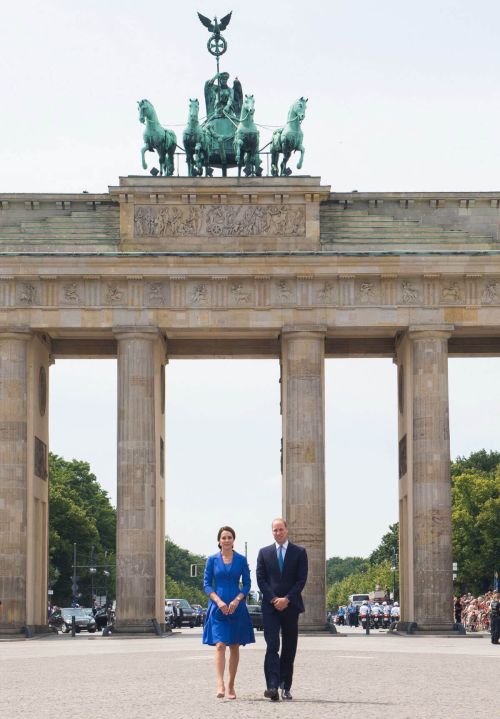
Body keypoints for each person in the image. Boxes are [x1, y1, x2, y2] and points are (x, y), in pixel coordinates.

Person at [256, 517, 308, 702]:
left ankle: (285, 686)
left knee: (289, 647)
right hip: (270, 607)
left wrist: (287, 599)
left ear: (287, 530)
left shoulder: (299, 552)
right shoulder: (264, 553)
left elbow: (301, 580)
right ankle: (272, 686)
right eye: (274, 530)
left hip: (291, 605)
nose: (278, 533)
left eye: (280, 529)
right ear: (272, 532)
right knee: (272, 645)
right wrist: (273, 599)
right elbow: (261, 580)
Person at [202, 525, 255, 700]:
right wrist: (217, 601)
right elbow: (206, 584)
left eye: (229, 537)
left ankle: (231, 684)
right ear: (219, 541)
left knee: (234, 646)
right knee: (220, 645)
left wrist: (237, 599)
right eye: (223, 537)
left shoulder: (241, 560)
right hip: (217, 607)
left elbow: (247, 584)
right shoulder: (211, 560)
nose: (226, 540)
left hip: (236, 607)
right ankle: (220, 684)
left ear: (233, 540)